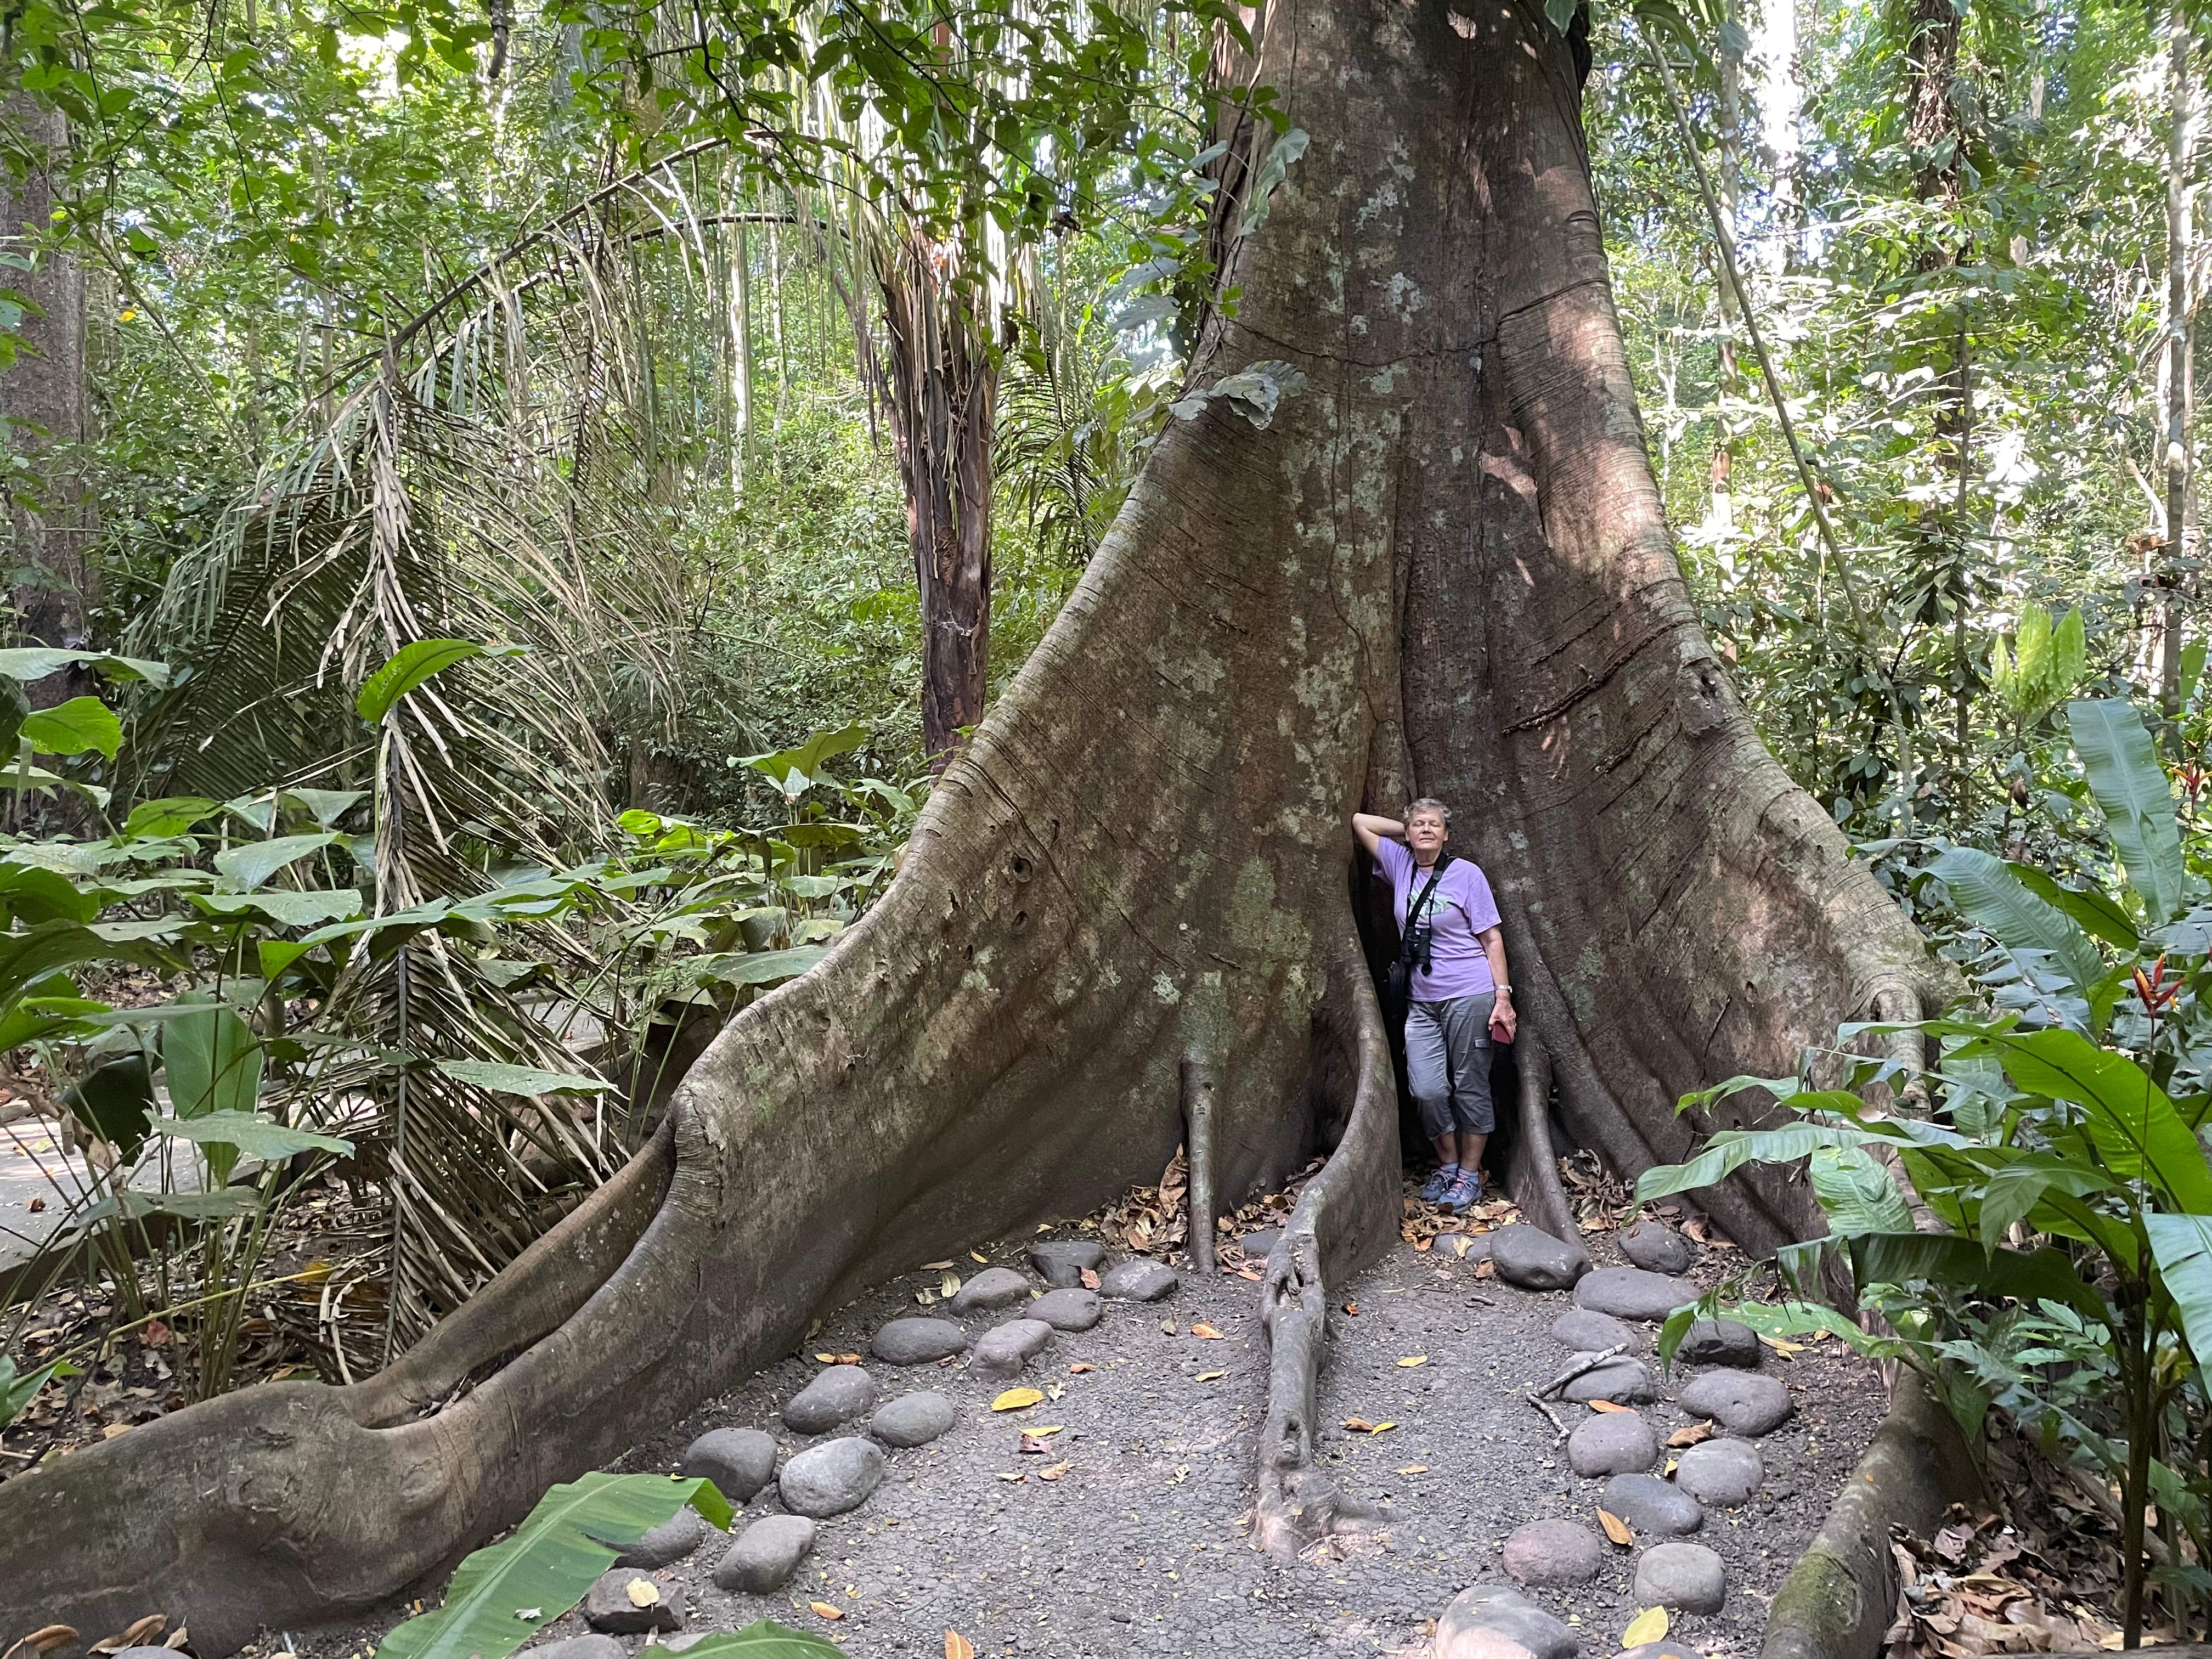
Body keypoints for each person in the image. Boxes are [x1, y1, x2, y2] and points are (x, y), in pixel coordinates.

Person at [1352, 798, 1515, 1213]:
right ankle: (1446, 1163)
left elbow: (1492, 938)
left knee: (1470, 1085)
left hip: (1470, 994)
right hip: (1420, 1002)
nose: (1426, 830)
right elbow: (1359, 822)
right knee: (1425, 1088)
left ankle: (1469, 1174)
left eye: (1435, 825)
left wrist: (1503, 997)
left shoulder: (1467, 875)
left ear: (1447, 835)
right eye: (1419, 825)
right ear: (1408, 834)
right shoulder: (1399, 863)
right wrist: (1404, 827)